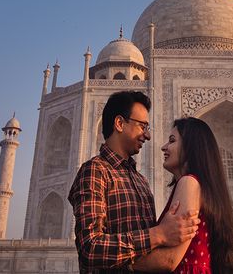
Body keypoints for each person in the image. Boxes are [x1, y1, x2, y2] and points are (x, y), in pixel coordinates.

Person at [68, 91, 199, 273]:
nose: (148, 135)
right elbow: (90, 248)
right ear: (120, 124)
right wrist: (159, 234)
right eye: (142, 126)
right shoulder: (95, 171)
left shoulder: (141, 182)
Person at [133, 117, 233, 273]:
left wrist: (119, 261)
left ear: (191, 148)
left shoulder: (189, 182)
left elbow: (169, 259)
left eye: (172, 141)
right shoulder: (204, 187)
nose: (164, 147)